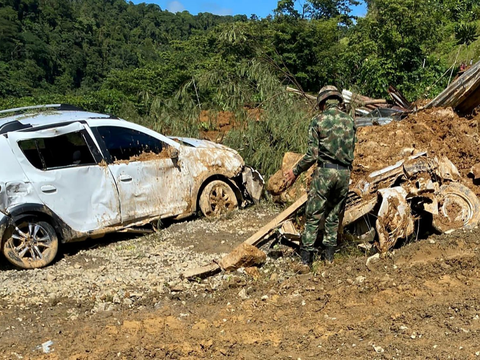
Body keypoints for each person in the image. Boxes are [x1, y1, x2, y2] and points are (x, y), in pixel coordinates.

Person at [284, 85, 356, 267]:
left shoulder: (318, 121)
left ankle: (305, 261)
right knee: (333, 215)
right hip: (344, 174)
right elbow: (352, 150)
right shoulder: (350, 121)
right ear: (338, 101)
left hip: (325, 173)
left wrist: (295, 171)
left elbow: (312, 154)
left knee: (314, 215)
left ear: (323, 103)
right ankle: (329, 259)